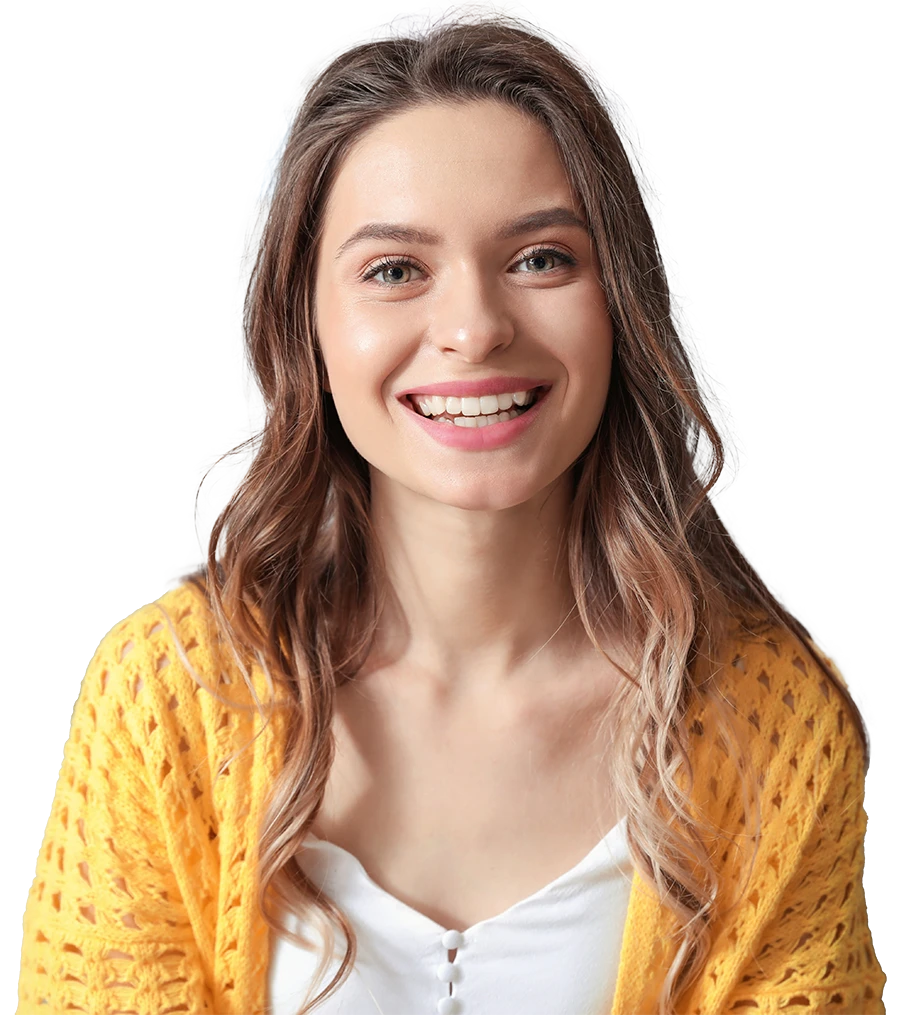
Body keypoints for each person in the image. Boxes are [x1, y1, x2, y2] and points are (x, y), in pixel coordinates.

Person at [17, 10, 885, 1015]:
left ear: (621, 303)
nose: (473, 328)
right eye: (396, 271)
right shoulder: (164, 697)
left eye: (541, 259)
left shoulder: (768, 726)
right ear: (309, 323)